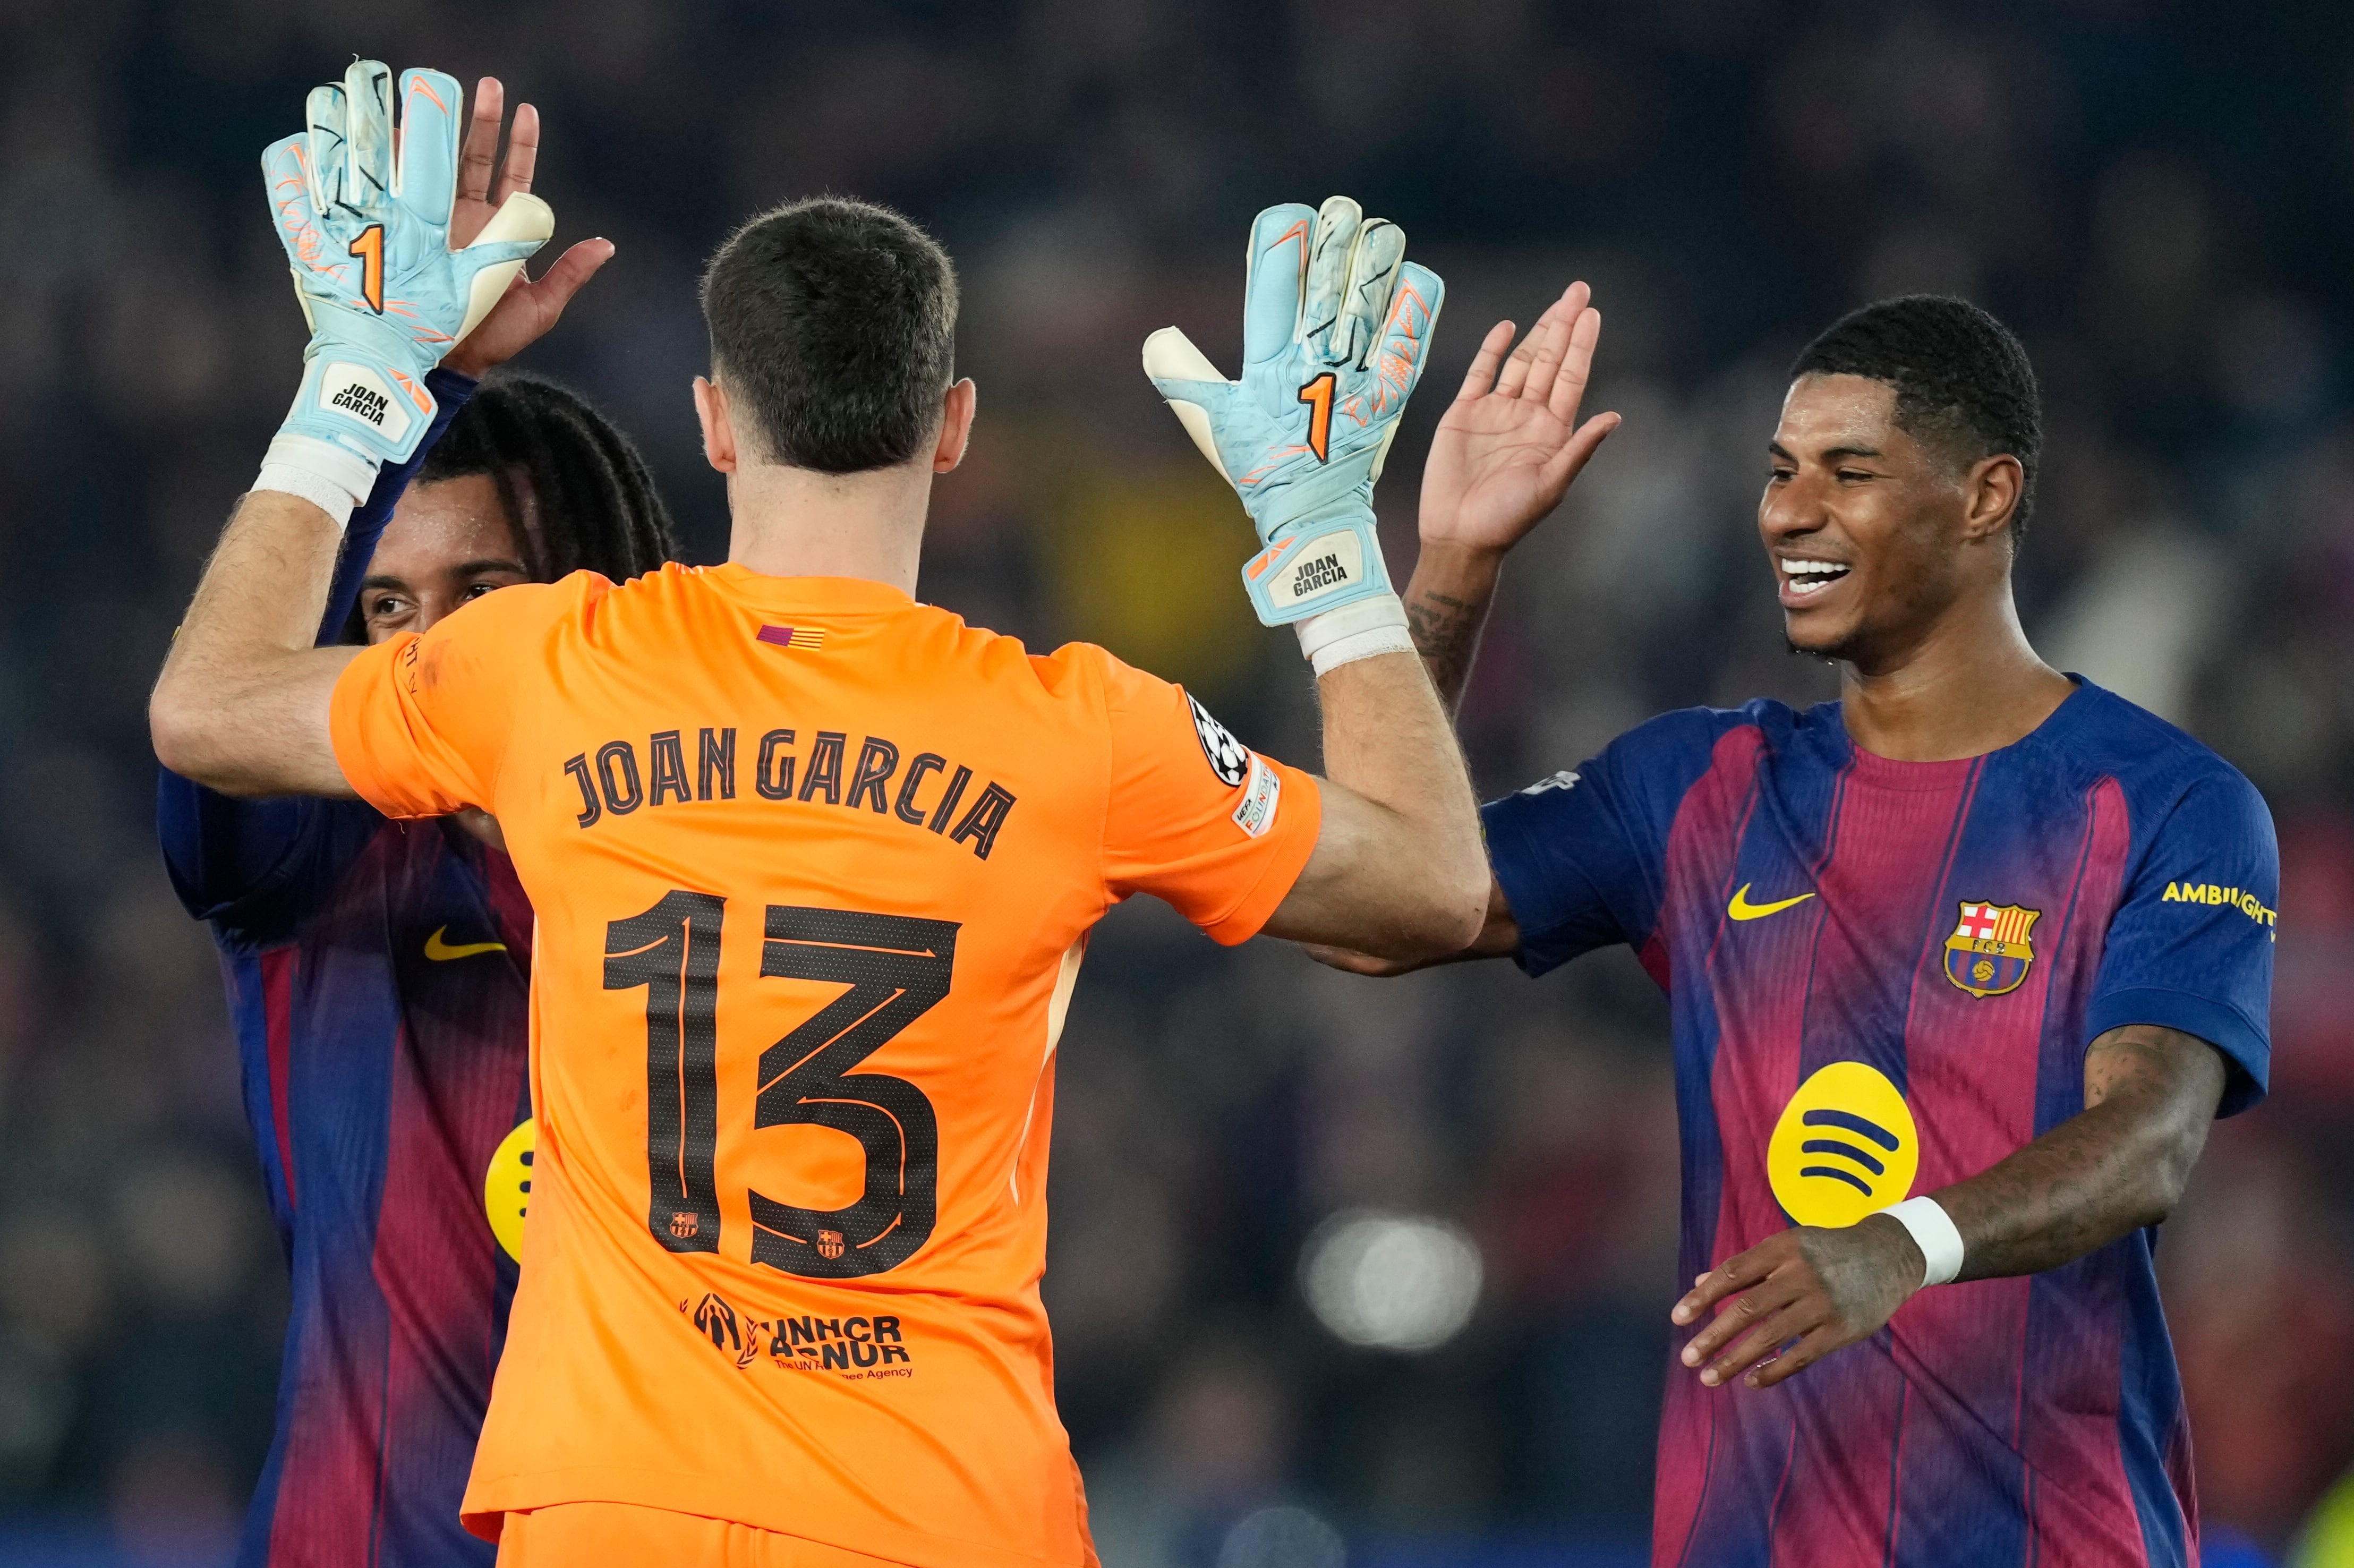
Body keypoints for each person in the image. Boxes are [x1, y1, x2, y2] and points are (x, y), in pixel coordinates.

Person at [149, 62, 1495, 1567]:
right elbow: (1437, 889)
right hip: (941, 1509)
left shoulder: (554, 668)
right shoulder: (1087, 730)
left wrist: (360, 388)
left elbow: (208, 705)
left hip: (616, 1508)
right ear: (958, 425)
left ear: (717, 423)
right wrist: (1324, 545)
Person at [1332, 289, 2278, 1565]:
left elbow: (2148, 1139)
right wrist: (1450, 565)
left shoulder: (2163, 804)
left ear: (1985, 497)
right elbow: (1368, 908)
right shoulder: (1695, 789)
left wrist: (1901, 1245)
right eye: (1778, 472)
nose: (1786, 510)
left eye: (1848, 471)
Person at [155, 74, 673, 1567]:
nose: (426, 648)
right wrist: (379, 383)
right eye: (384, 611)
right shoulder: (316, 863)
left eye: (481, 599)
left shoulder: (719, 861)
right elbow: (227, 709)